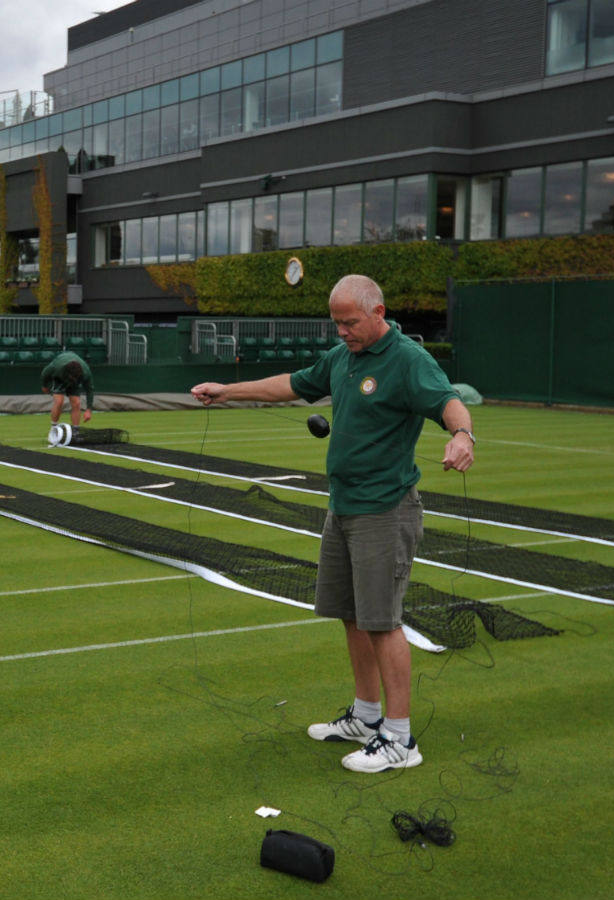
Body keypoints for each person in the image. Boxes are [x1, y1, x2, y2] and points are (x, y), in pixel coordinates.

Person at [191, 274, 475, 774]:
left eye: (350, 322)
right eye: (337, 322)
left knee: (384, 623)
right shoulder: (342, 358)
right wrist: (227, 390)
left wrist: (463, 436)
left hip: (384, 511)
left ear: (378, 313)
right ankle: (367, 717)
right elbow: (293, 384)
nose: (342, 331)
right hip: (342, 506)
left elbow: (448, 400)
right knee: (350, 613)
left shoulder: (408, 359)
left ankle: (400, 738)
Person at [40, 349, 95, 426]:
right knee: (59, 401)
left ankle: (75, 432)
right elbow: (44, 373)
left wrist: (89, 410)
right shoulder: (57, 367)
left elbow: (90, 390)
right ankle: (54, 429)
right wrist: (44, 386)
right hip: (59, 378)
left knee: (76, 403)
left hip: (76, 382)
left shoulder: (85, 373)